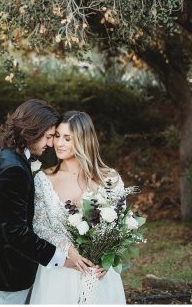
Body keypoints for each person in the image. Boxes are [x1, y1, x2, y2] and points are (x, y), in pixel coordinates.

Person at [0, 99, 101, 304]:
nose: (51, 144)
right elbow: (15, 232)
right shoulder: (12, 168)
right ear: (33, 130)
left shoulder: (10, 158)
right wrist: (63, 260)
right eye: (50, 136)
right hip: (5, 273)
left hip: (6, 270)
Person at [28, 111, 126, 304]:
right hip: (59, 274)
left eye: (67, 138)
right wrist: (69, 251)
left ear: (83, 140)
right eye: (57, 136)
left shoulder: (110, 179)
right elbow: (39, 226)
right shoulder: (43, 179)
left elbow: (120, 226)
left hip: (99, 274)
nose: (59, 143)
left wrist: (108, 259)